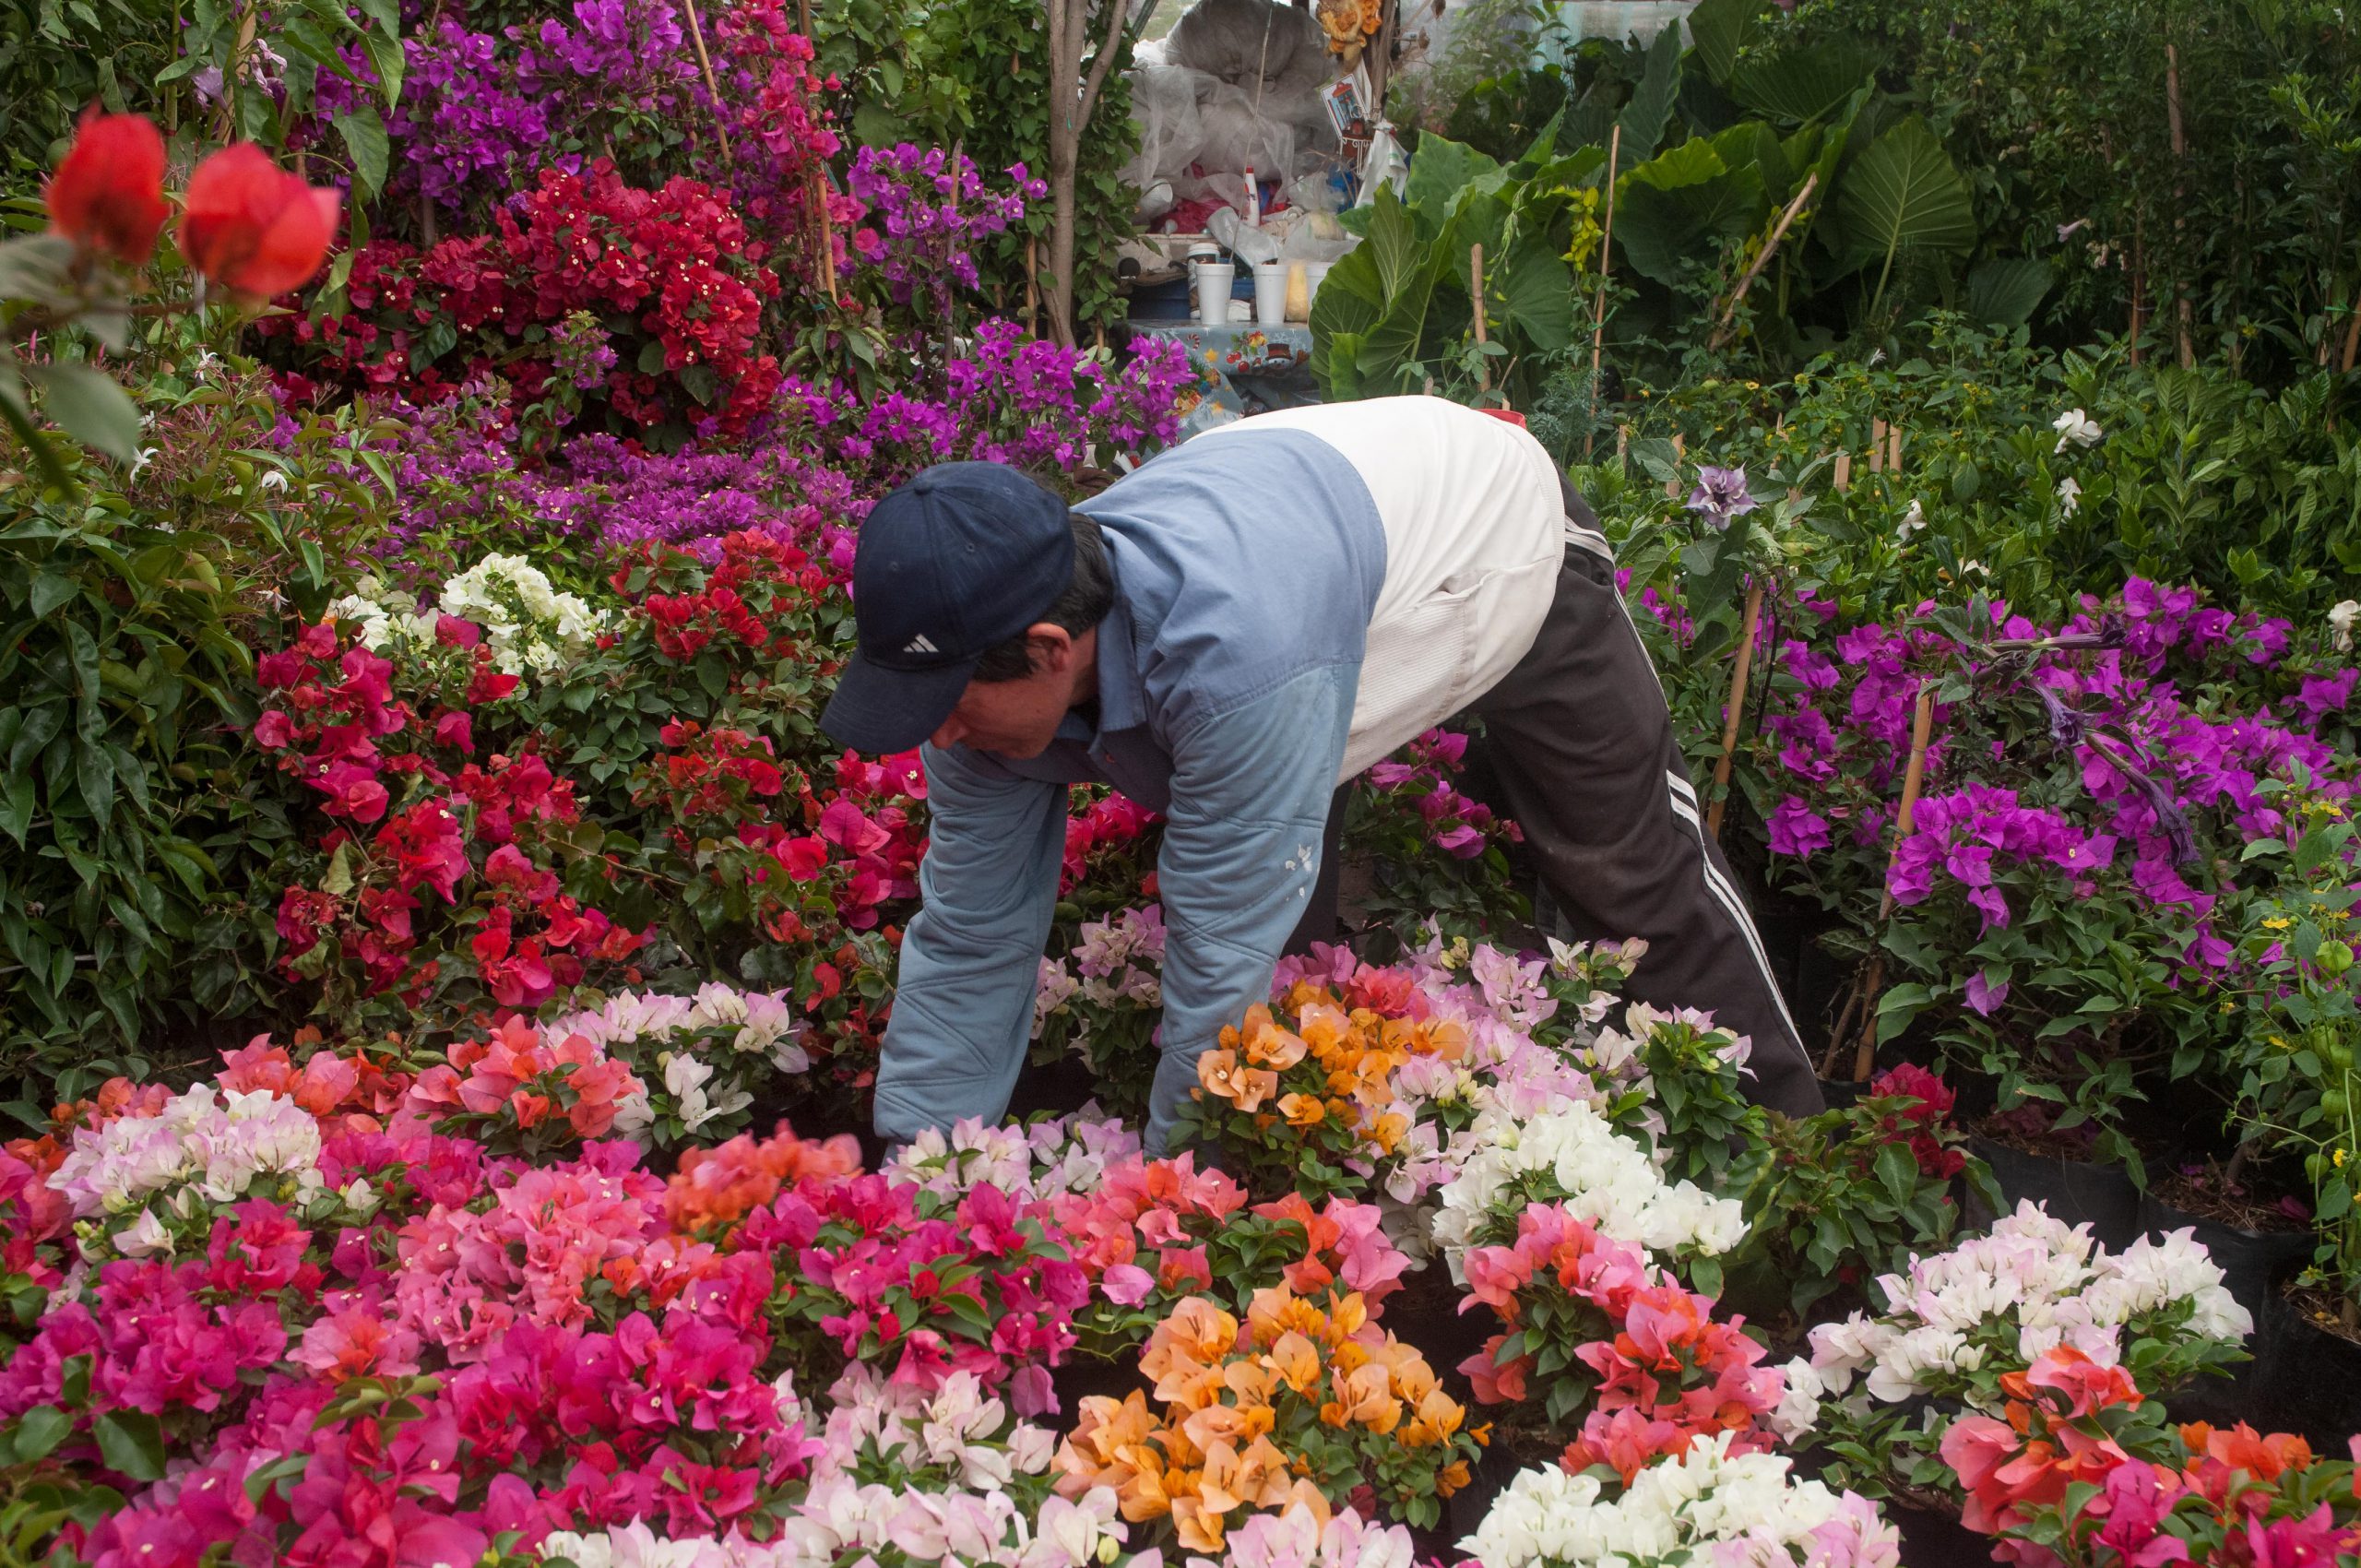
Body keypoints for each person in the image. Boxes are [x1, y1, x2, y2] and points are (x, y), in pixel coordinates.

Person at [821, 396, 1822, 1154]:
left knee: (1630, 869)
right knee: (1280, 935)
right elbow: (972, 933)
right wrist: (919, 1175)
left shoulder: (1236, 657)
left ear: (1048, 650)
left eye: (950, 706)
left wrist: (1162, 1205)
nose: (936, 738)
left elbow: (1215, 976)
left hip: (1494, 543)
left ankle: (1793, 1142)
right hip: (1311, 580)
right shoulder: (982, 652)